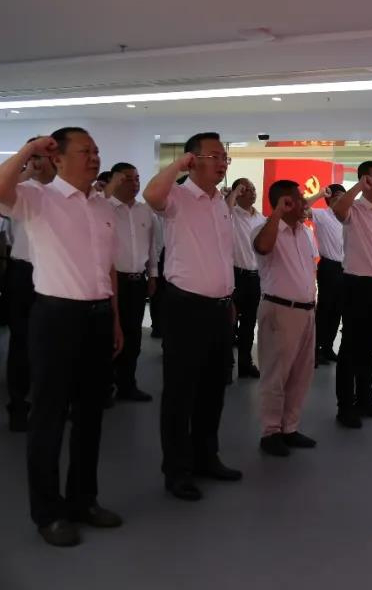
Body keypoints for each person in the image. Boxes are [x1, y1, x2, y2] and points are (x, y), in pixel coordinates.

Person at [0, 129, 124, 547]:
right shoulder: (37, 197)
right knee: (49, 417)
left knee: (90, 416)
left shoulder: (103, 205)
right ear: (58, 158)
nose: (95, 157)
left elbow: (108, 269)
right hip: (55, 317)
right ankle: (48, 512)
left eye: (97, 150)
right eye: (86, 151)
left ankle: (83, 500)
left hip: (97, 317)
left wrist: (115, 319)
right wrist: (29, 149)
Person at [144, 132, 242, 503]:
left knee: (213, 389)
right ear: (192, 159)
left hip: (220, 307)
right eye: (214, 156)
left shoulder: (220, 202)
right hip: (186, 308)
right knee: (180, 393)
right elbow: (151, 195)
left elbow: (222, 255)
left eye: (224, 157)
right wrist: (177, 166)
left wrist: (229, 298)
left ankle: (206, 456)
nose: (222, 162)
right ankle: (177, 470)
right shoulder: (177, 196)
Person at [252, 180, 319, 457]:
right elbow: (263, 247)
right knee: (275, 375)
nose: (304, 203)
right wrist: (278, 213)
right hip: (280, 310)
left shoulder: (304, 232)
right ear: (284, 202)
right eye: (297, 198)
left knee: (301, 374)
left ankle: (289, 427)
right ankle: (270, 432)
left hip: (306, 311)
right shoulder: (265, 229)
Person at [330, 162, 372, 428]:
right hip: (357, 286)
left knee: (370, 348)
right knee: (350, 349)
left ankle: (365, 400)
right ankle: (345, 407)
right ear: (366, 180)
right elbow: (338, 209)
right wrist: (358, 186)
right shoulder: (353, 209)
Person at [3, 138, 56, 432]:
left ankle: (52, 402)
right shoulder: (19, 189)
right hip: (24, 272)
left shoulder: (63, 193)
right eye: (36, 156)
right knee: (22, 340)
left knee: (55, 342)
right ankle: (19, 405)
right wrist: (27, 168)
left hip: (56, 272)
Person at [107, 162, 156, 402]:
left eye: (136, 178)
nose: (134, 183)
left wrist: (153, 274)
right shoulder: (104, 208)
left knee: (133, 336)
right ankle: (105, 387)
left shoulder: (145, 211)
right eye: (127, 178)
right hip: (111, 282)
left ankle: (127, 384)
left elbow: (152, 246)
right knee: (109, 335)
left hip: (137, 283)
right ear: (114, 180)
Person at [227, 178, 263, 380]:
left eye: (253, 189)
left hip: (254, 278)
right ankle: (226, 365)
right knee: (229, 323)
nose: (252, 192)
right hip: (234, 276)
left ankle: (245, 363)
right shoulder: (230, 214)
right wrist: (233, 194)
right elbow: (223, 210)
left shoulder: (260, 218)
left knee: (249, 324)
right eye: (246, 189)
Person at [312, 183, 346, 365]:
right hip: (328, 266)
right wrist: (319, 194)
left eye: (344, 196)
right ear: (330, 199)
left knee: (337, 310)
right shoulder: (321, 215)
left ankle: (327, 347)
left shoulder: (348, 218)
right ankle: (314, 349)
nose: (342, 200)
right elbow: (302, 209)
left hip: (346, 268)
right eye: (337, 196)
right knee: (325, 309)